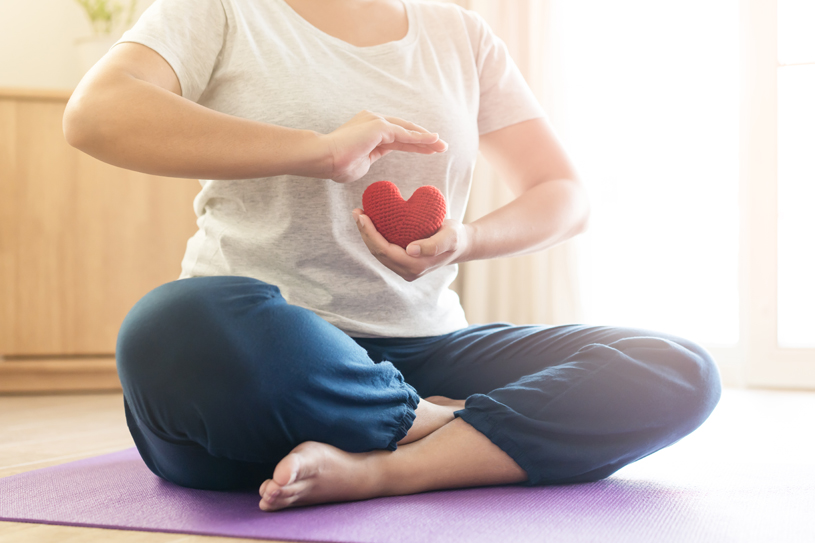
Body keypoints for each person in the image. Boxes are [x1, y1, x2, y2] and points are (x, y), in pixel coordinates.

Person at [64, 0, 721, 512]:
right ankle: (447, 425)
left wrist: (467, 239)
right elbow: (96, 114)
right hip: (266, 362)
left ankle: (387, 468)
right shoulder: (222, 10)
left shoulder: (460, 35)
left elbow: (563, 194)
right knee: (171, 324)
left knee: (677, 368)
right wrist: (321, 150)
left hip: (427, 347)